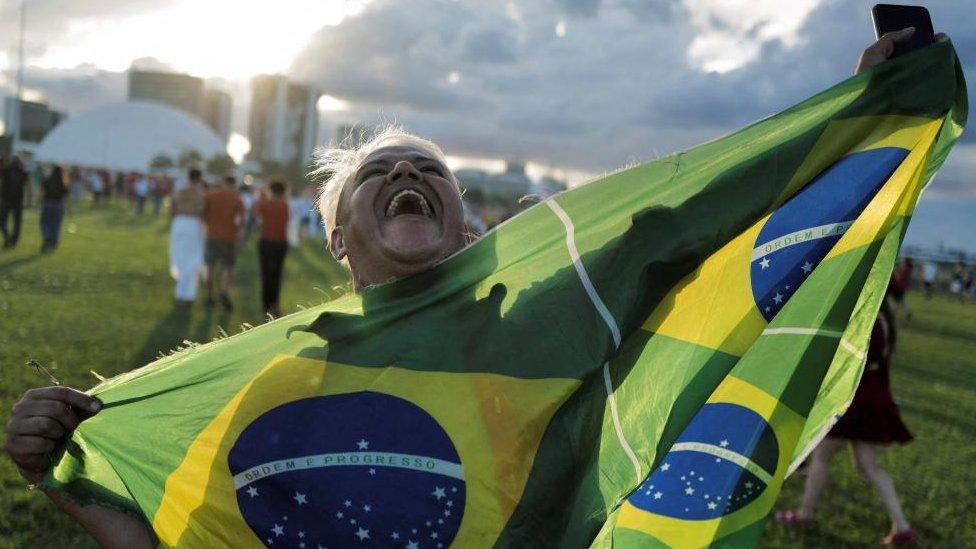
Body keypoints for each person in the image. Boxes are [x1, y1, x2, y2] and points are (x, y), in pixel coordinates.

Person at [2, 28, 937, 548]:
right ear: (338, 237)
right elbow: (184, 538)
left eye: (429, 169)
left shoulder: (551, 329)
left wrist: (849, 122)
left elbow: (686, 234)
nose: (408, 173)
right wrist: (66, 477)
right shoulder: (278, 386)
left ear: (468, 225)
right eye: (380, 173)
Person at [775, 298, 916, 545]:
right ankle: (902, 526)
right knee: (867, 465)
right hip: (872, 398)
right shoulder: (885, 321)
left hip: (855, 400)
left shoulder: (870, 320)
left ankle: (805, 514)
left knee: (821, 457)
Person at [203, 175, 245, 310]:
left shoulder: (210, 196)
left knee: (210, 267)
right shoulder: (237, 199)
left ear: (223, 183)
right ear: (234, 184)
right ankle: (224, 292)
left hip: (212, 235)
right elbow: (242, 220)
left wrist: (209, 225)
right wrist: (236, 231)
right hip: (229, 237)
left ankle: (209, 296)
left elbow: (203, 213)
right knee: (229, 267)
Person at [169, 169, 206, 305]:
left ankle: (181, 292)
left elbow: (172, 208)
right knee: (193, 258)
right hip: (193, 223)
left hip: (179, 222)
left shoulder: (179, 190)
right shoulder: (200, 193)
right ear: (200, 177)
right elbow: (203, 210)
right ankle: (187, 294)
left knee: (180, 256)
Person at [253, 179, 291, 317]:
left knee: (265, 273)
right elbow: (287, 220)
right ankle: (274, 304)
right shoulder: (285, 205)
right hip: (280, 242)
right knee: (277, 274)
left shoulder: (264, 204)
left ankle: (266, 304)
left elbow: (256, 216)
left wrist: (262, 194)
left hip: (266, 241)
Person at [1, 155, 29, 249]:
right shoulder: (23, 173)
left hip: (6, 199)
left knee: (2, 221)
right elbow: (26, 183)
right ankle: (13, 240)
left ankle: (7, 238)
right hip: (18, 201)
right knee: (17, 223)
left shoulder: (6, 171)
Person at [39, 166, 68, 253]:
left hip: (47, 204)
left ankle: (46, 237)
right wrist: (70, 210)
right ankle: (53, 243)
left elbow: (41, 192)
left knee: (44, 223)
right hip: (58, 206)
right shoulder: (63, 183)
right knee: (56, 226)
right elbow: (66, 197)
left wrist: (38, 203)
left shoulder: (47, 181)